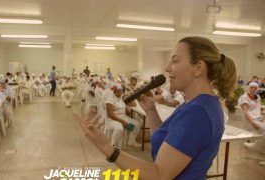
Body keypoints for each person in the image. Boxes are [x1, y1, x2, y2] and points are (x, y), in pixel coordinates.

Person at [75, 36, 237, 179]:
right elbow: (169, 145)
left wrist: (107, 147)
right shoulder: (203, 104)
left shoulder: (197, 112)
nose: (167, 68)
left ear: (198, 68)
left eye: (175, 60)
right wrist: (151, 111)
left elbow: (158, 174)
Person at [239, 82, 265, 165]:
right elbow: (246, 113)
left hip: (259, 119)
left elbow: (257, 109)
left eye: (255, 88)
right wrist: (253, 123)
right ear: (248, 88)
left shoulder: (258, 97)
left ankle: (258, 146)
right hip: (251, 121)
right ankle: (256, 147)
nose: (253, 89)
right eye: (251, 87)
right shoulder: (244, 97)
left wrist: (262, 111)